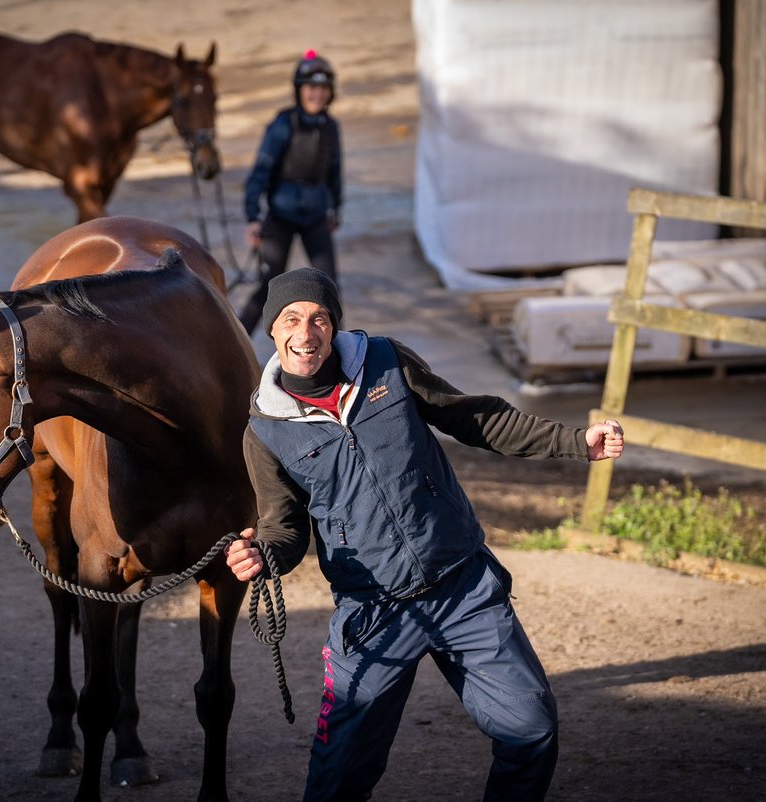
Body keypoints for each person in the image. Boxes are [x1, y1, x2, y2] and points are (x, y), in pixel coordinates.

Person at [225, 268, 625, 801]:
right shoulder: (265, 429)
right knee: (337, 780)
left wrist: (578, 442)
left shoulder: (387, 361)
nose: (307, 331)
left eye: (319, 317)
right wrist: (262, 555)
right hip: (373, 613)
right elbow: (284, 526)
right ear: (273, 331)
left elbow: (475, 419)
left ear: (334, 324)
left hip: (463, 586)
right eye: (292, 319)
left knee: (531, 730)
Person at [239, 50, 343, 334]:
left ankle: (340, 356)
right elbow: (260, 171)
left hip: (316, 216)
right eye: (311, 88)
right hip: (281, 216)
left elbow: (335, 172)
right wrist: (252, 216)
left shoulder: (330, 127)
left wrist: (335, 208)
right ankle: (234, 344)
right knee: (268, 287)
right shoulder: (283, 124)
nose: (317, 95)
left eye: (323, 89)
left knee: (330, 288)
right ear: (299, 90)